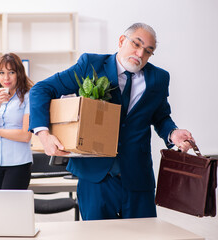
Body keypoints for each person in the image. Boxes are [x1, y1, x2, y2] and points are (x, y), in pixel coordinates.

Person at [29, 23, 194, 220]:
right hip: (95, 177)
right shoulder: (90, 65)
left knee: (142, 236)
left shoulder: (159, 78)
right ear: (122, 41)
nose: (140, 54)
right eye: (136, 44)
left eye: (148, 51)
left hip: (138, 178)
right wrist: (43, 134)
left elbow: (161, 117)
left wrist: (172, 133)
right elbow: (41, 89)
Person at [0, 53, 34, 190]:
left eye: (11, 72)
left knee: (11, 209)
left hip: (18, 163)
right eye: (1, 73)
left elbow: (25, 135)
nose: (6, 78)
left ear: (19, 74)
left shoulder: (28, 97)